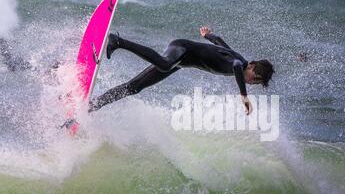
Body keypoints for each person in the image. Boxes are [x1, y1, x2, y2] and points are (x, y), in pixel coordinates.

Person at [89, 26, 274, 115]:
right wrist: (243, 95)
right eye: (254, 77)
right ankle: (118, 41)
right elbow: (234, 67)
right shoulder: (239, 64)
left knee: (134, 87)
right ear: (251, 66)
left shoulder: (236, 58)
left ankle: (93, 105)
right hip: (181, 49)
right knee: (164, 64)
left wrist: (207, 35)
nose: (251, 82)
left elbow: (219, 41)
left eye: (255, 83)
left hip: (180, 62)